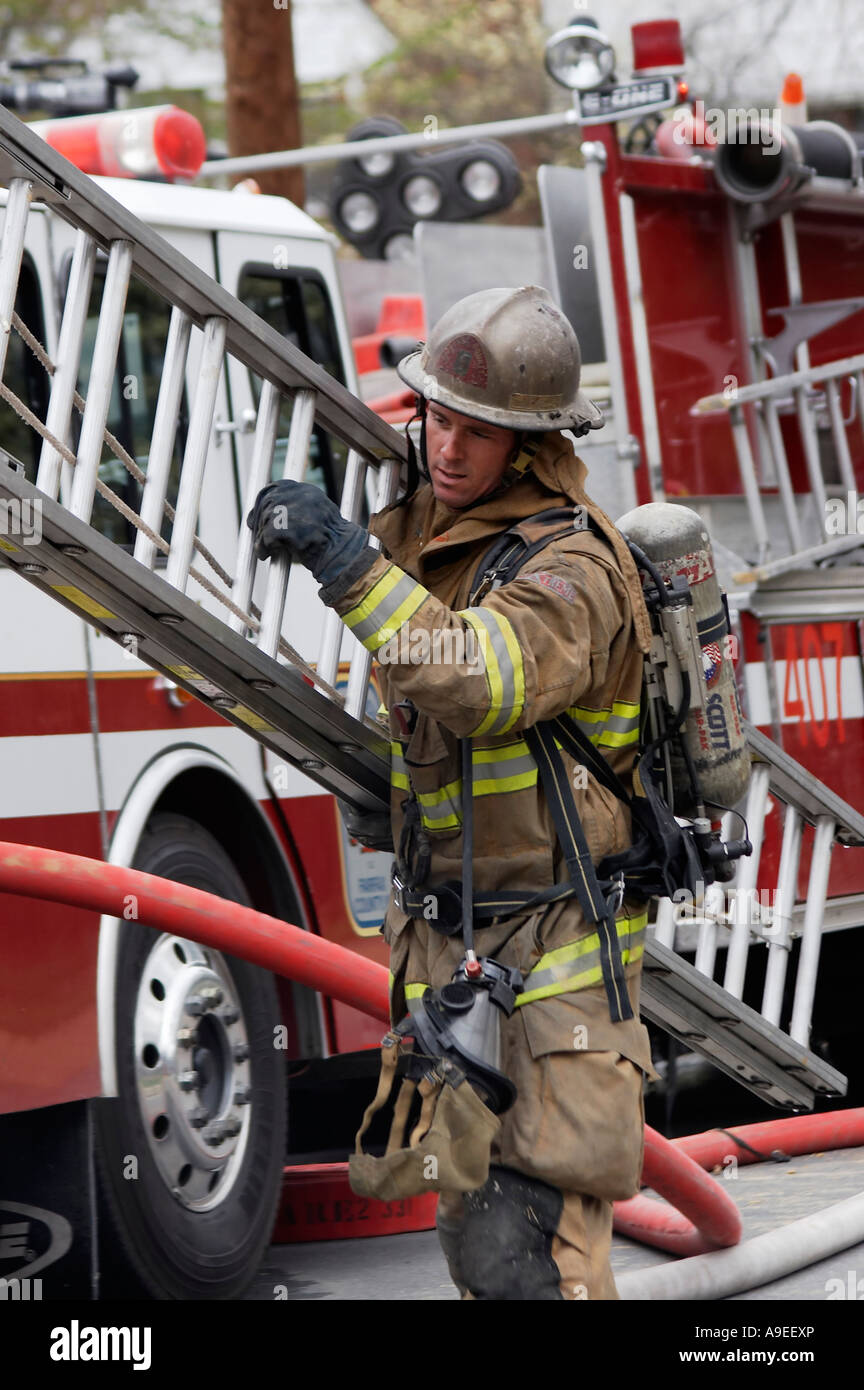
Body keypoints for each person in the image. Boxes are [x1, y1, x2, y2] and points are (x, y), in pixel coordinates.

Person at [248, 285, 659, 1301]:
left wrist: (345, 560)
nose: (450, 446)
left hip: (556, 966)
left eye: (482, 430)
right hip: (452, 960)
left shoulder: (576, 569)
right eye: (439, 417)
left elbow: (483, 678)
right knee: (478, 1252)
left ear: (530, 446)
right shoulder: (438, 540)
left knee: (534, 1259)